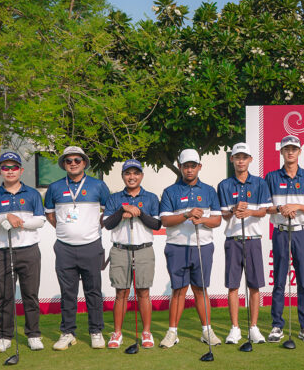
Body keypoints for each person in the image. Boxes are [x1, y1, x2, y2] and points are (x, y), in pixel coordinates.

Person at [44, 146, 110, 350]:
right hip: (64, 248)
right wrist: (65, 230)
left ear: (84, 163)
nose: (73, 163)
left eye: (77, 160)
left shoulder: (98, 185)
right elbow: (50, 214)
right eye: (69, 160)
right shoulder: (54, 187)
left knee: (93, 292)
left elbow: (108, 212)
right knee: (68, 293)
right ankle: (68, 332)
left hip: (91, 246)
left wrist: (92, 228)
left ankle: (96, 331)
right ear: (64, 164)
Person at [0, 151, 46, 352]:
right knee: (5, 296)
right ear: (0, 171)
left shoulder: (32, 194)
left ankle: (33, 334)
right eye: (6, 167)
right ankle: (4, 336)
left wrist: (19, 222)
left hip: (29, 250)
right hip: (3, 251)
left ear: (21, 170)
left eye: (14, 167)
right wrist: (4, 217)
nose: (10, 171)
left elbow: (40, 221)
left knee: (30, 294)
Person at [158, 149, 222, 348]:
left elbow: (217, 220)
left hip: (202, 246)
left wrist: (202, 220)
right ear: (180, 167)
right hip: (177, 247)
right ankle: (172, 332)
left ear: (199, 167)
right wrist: (187, 214)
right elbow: (165, 221)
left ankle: (207, 331)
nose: (189, 169)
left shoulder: (209, 191)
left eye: (193, 166)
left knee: (201, 289)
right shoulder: (170, 191)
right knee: (178, 290)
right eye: (186, 166)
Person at [265, 135, 304, 343]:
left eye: (294, 149)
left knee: (303, 280)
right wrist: (281, 208)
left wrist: (296, 206)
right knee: (279, 280)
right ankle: (277, 326)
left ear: (299, 152)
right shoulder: (272, 177)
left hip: (301, 232)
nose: (290, 152)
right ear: (281, 151)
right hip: (280, 231)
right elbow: (265, 208)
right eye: (287, 149)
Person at [102, 159, 161, 349]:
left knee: (143, 291)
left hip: (143, 249)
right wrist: (122, 210)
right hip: (120, 249)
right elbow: (107, 224)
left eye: (136, 173)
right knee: (121, 292)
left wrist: (138, 213)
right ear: (123, 176)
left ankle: (146, 332)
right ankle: (117, 333)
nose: (132, 177)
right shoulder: (115, 198)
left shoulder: (151, 197)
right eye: (128, 173)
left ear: (141, 176)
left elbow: (156, 224)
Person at [217, 143, 272, 344]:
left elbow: (264, 211)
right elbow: (223, 215)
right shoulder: (224, 185)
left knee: (254, 286)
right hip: (233, 240)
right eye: (237, 157)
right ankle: (235, 328)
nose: (241, 161)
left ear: (250, 159)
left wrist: (249, 212)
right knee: (233, 286)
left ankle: (253, 328)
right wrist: (234, 210)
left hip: (253, 239)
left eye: (244, 157)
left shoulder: (259, 183)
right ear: (232, 159)